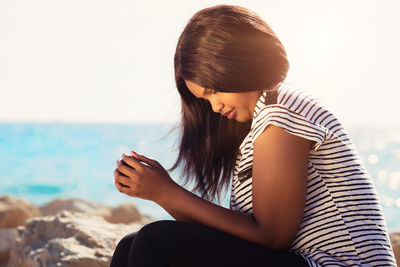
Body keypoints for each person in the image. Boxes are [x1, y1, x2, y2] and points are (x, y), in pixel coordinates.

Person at [110, 5, 397, 267]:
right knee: (129, 247)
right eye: (204, 99)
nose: (214, 106)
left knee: (155, 241)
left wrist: (168, 191)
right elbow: (237, 240)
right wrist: (162, 196)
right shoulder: (258, 126)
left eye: (213, 91)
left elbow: (272, 237)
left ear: (236, 65)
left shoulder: (282, 113)